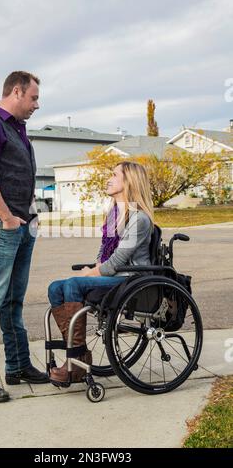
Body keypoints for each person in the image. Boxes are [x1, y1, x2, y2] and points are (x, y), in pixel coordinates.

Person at [0, 71, 49, 404]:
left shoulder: (17, 129)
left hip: (22, 225)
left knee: (14, 301)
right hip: (0, 226)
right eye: (33, 97)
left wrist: (29, 215)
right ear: (16, 91)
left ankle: (17, 366)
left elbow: (18, 176)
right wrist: (6, 217)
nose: (36, 104)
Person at [48, 161, 154, 386]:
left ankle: (74, 362)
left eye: (114, 175)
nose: (109, 179)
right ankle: (79, 354)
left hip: (130, 279)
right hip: (114, 274)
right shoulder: (114, 215)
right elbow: (104, 254)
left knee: (73, 284)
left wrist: (91, 273)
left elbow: (117, 261)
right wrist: (96, 267)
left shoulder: (139, 219)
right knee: (55, 287)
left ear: (129, 182)